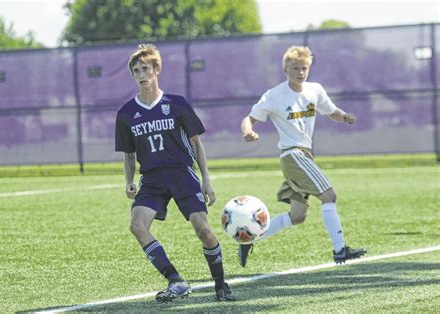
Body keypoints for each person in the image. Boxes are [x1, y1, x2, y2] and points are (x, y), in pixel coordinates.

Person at [115, 43, 236, 303]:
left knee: (203, 230)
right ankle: (176, 280)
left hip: (182, 173)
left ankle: (220, 284)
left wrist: (206, 180)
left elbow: (196, 144)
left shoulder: (177, 104)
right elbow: (128, 154)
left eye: (145, 68)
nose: (141, 74)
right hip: (152, 179)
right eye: (136, 71)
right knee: (137, 226)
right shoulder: (126, 113)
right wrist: (129, 181)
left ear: (157, 70)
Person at [238, 45, 366, 267]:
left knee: (297, 216)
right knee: (329, 196)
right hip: (293, 154)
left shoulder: (315, 89)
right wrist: (247, 131)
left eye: (304, 68)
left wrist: (344, 116)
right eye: (295, 68)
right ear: (286, 69)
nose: (300, 72)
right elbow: (249, 118)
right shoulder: (275, 95)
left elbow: (331, 111)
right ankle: (340, 250)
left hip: (303, 156)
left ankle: (251, 237)